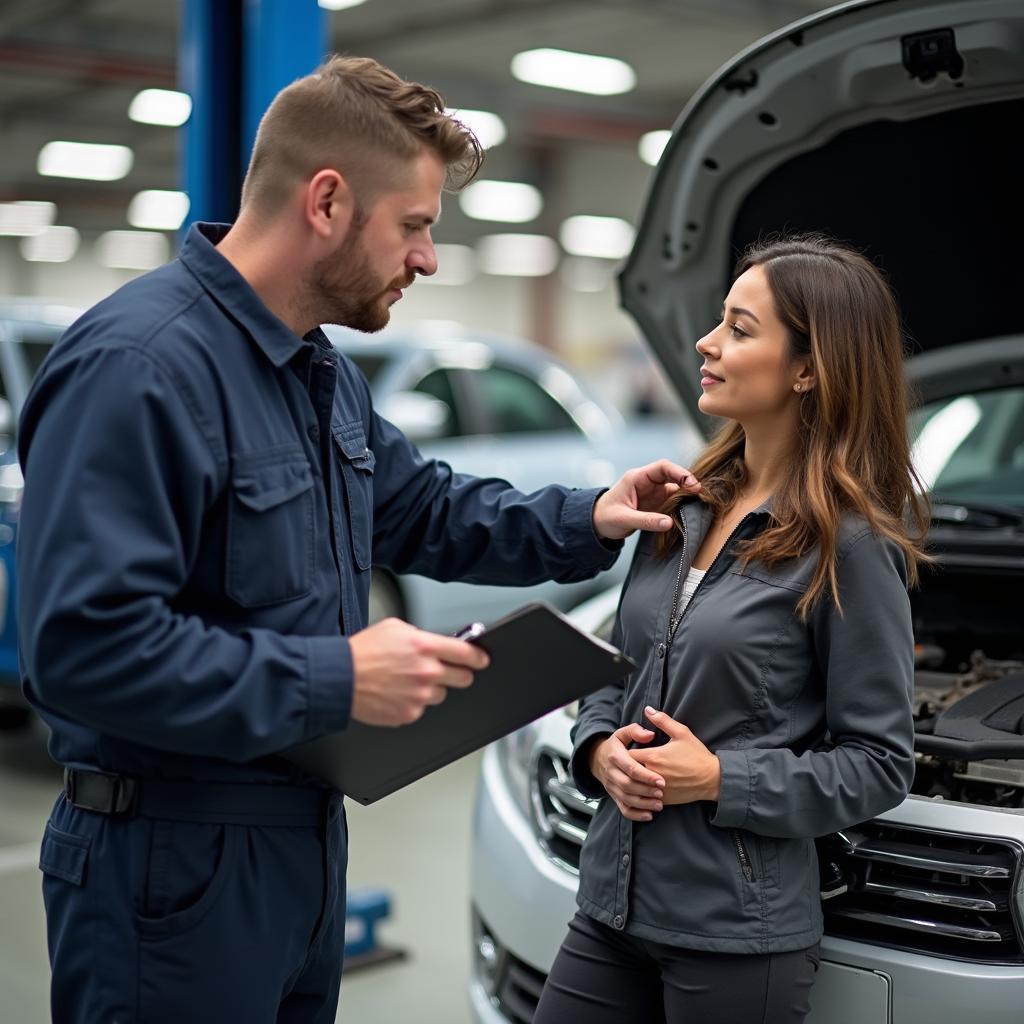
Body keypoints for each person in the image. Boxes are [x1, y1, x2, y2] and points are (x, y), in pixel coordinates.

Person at [16, 56, 701, 1024]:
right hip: (163, 863)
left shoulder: (315, 372)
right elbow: (84, 649)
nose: (425, 258)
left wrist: (585, 516)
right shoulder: (141, 368)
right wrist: (334, 678)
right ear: (328, 201)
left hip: (296, 837)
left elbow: (420, 508)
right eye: (414, 226)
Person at [533, 234, 931, 1024]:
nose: (706, 344)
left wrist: (718, 778)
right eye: (720, 322)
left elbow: (881, 763)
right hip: (611, 907)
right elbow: (617, 671)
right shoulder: (682, 507)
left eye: (741, 330)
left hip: (735, 937)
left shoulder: (848, 548)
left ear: (809, 368)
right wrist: (597, 749)